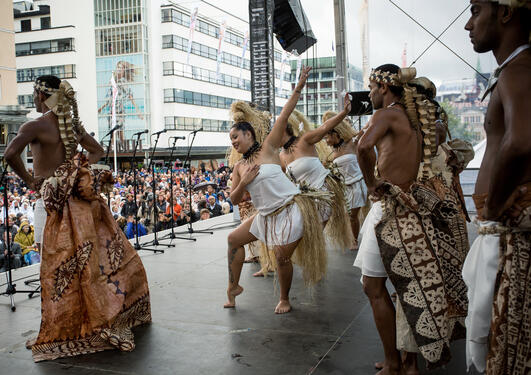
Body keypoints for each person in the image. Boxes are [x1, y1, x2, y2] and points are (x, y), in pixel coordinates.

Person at [4, 76, 151, 362]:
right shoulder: (71, 126)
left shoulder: (34, 126)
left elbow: (10, 153)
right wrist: (73, 170)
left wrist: (30, 180)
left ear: (39, 95)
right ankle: (83, 322)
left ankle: (60, 329)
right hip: (81, 207)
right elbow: (97, 151)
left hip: (51, 204)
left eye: (34, 93)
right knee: (85, 266)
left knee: (53, 268)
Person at [354, 65, 468, 373]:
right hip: (413, 208)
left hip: (390, 207)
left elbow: (363, 147)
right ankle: (404, 361)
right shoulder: (416, 120)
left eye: (371, 87)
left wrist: (370, 183)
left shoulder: (386, 114)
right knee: (403, 286)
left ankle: (394, 364)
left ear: (384, 87)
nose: (369, 93)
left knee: (373, 287)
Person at [462, 2, 531, 374]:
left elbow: (521, 142)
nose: (468, 25)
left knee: (507, 342)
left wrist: (495, 206)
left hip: (511, 230)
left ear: (505, 13)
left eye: (475, 11)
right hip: (504, 231)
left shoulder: (519, 70)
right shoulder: (512, 71)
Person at [225, 66, 328, 314]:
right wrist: (243, 182)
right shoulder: (239, 166)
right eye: (231, 141)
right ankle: (233, 287)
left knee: (282, 256)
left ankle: (284, 298)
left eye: (236, 138)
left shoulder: (269, 148)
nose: (234, 143)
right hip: (265, 216)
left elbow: (284, 115)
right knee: (232, 240)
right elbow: (234, 198)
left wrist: (299, 87)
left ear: (248, 134)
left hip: (290, 211)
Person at [279, 97, 353, 251]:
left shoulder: (304, 140)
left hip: (324, 194)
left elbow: (325, 127)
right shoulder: (281, 156)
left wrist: (344, 113)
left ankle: (315, 267)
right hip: (304, 200)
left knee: (314, 238)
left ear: (283, 130)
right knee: (302, 239)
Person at [324, 113, 367, 250]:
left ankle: (354, 240)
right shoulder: (332, 152)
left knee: (352, 215)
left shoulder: (352, 142)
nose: (326, 141)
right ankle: (349, 236)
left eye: (327, 137)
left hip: (357, 184)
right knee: (347, 215)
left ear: (336, 134)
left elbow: (366, 128)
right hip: (343, 188)